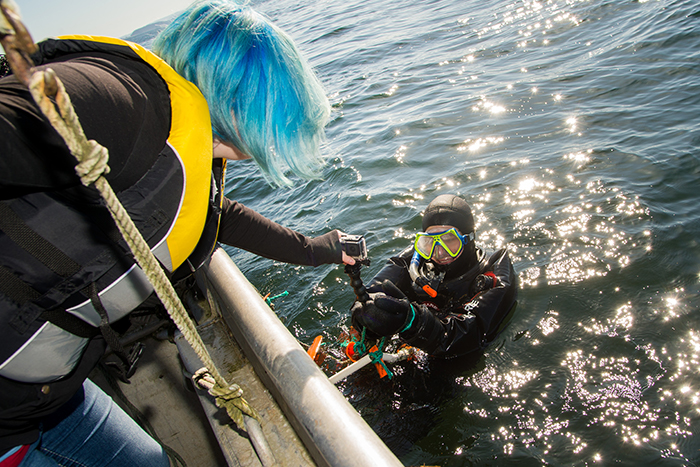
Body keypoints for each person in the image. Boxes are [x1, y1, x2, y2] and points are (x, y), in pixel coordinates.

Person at [0, 1, 354, 465]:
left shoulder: (185, 143)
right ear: (239, 101)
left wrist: (317, 250)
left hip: (51, 394)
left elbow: (214, 213)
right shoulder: (119, 98)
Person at [351, 194, 518, 358]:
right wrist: (366, 314)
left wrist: (413, 322)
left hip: (455, 363)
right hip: (404, 350)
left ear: (469, 238)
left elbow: (475, 331)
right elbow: (371, 294)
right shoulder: (412, 261)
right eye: (431, 241)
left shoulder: (494, 268)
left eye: (449, 239)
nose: (439, 252)